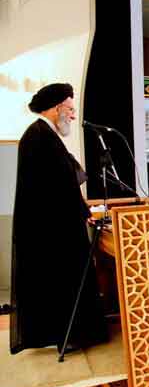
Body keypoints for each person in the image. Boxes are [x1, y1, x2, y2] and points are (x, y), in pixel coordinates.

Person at [11, 83, 107, 354]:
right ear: (56, 108)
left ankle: (74, 333)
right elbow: (56, 187)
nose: (73, 116)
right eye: (71, 109)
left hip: (58, 224)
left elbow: (65, 182)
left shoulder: (45, 134)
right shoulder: (38, 136)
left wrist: (83, 211)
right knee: (63, 282)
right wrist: (82, 212)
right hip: (52, 230)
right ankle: (69, 335)